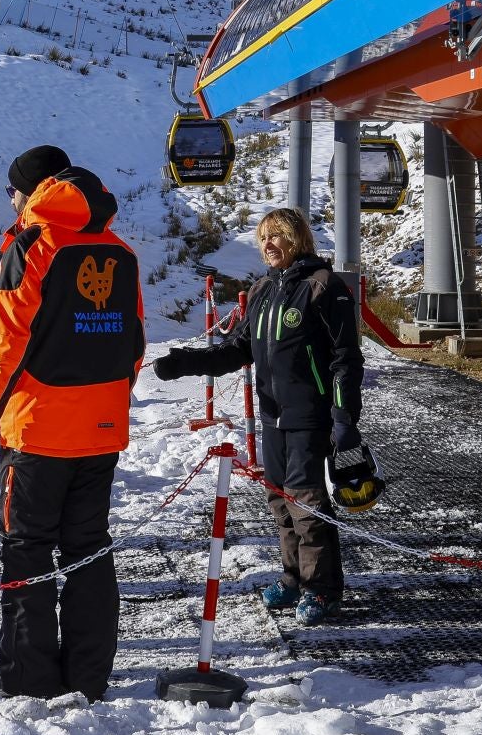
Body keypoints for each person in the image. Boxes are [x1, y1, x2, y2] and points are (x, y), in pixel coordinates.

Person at [0, 145, 144, 703]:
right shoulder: (119, 250)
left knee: (28, 550)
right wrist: (107, 405)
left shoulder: (30, 247)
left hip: (37, 430)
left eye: (14, 190)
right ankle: (87, 679)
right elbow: (132, 344)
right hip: (102, 428)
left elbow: (5, 348)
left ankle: (29, 679)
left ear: (33, 191)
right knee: (89, 548)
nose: (12, 200)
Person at [153, 207, 362, 626]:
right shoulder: (265, 288)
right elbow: (237, 349)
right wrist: (185, 363)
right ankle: (292, 577)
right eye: (263, 237)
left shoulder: (324, 286)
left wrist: (343, 415)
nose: (268, 245)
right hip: (274, 416)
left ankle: (322, 590)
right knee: (280, 501)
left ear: (297, 239)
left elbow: (345, 358)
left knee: (308, 503)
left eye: (277, 236)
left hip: (309, 414)